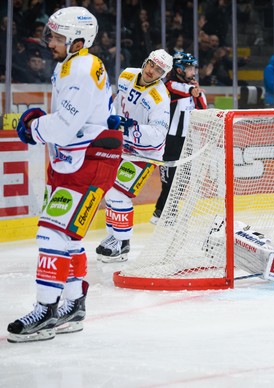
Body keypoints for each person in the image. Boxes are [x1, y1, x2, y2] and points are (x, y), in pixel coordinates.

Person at [8, 7, 122, 343]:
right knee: (67, 237)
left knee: (51, 233)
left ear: (78, 39)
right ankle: (72, 305)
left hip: (87, 160)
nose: (50, 41)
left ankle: (45, 311)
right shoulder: (75, 64)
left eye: (57, 36)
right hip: (80, 159)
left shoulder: (81, 70)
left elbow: (65, 125)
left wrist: (32, 128)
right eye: (51, 35)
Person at [95, 49, 173, 263]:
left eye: (159, 70)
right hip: (122, 145)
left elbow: (158, 135)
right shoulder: (127, 75)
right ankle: (112, 236)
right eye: (151, 64)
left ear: (163, 75)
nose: (152, 71)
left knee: (119, 193)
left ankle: (123, 242)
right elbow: (116, 103)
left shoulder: (160, 97)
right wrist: (111, 119)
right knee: (109, 189)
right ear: (145, 61)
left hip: (145, 153)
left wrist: (129, 127)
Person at [151, 52, 207, 224]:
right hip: (170, 139)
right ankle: (161, 212)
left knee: (184, 177)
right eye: (189, 68)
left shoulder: (192, 87)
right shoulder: (169, 85)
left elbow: (203, 106)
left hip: (186, 138)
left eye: (193, 68)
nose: (193, 72)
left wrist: (196, 92)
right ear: (179, 69)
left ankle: (171, 210)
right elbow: (178, 88)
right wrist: (193, 90)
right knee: (170, 178)